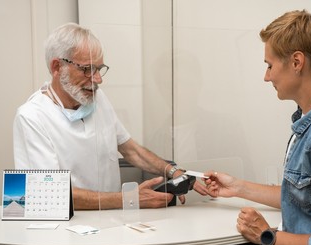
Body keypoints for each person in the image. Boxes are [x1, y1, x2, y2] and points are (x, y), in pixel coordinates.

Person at [202, 10, 311, 245]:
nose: (267, 76)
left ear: (297, 62)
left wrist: (267, 235)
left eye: (269, 65)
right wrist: (237, 187)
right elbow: (305, 198)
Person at [13, 22, 196, 210]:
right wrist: (129, 199)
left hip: (113, 219)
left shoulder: (96, 98)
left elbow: (131, 150)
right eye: (87, 69)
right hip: (68, 229)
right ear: (57, 67)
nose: (98, 79)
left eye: (99, 69)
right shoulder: (32, 117)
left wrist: (175, 173)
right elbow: (50, 192)